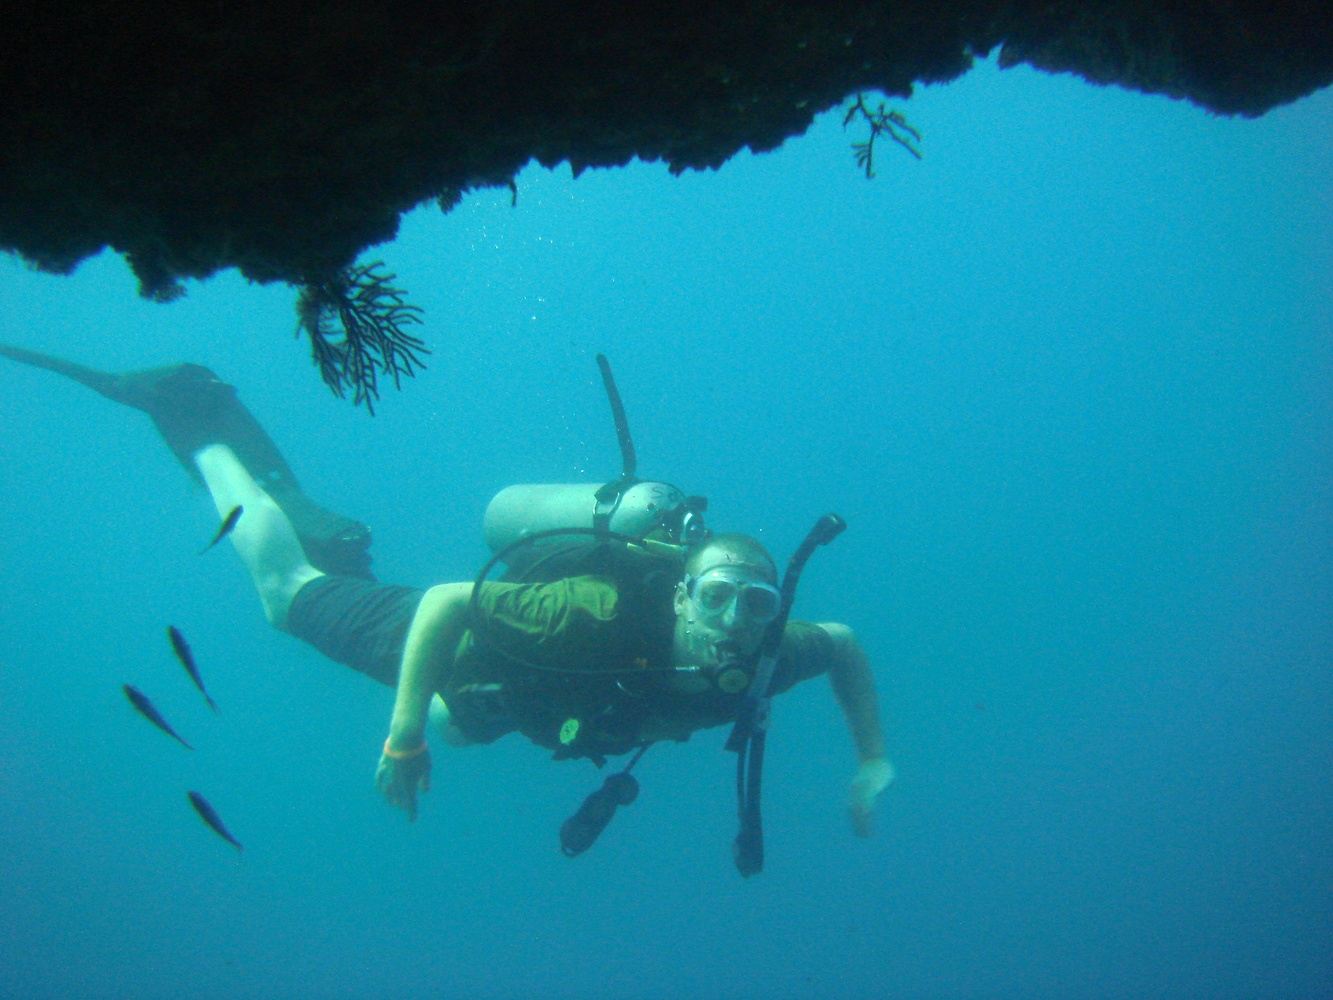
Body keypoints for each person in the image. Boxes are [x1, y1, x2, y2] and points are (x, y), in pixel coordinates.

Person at [1, 345, 894, 841]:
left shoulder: (766, 655)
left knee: (451, 722)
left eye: (758, 606)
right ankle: (193, 420)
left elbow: (845, 642)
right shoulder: (589, 614)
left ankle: (336, 537)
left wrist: (871, 755)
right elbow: (445, 603)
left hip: (515, 703)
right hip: (464, 650)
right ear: (679, 594)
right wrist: (398, 739)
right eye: (719, 598)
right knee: (287, 592)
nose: (737, 626)